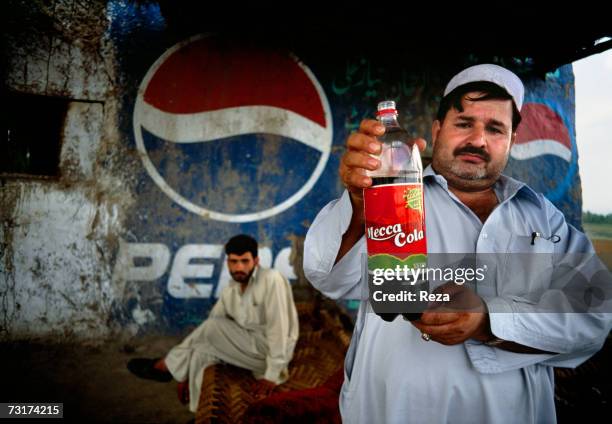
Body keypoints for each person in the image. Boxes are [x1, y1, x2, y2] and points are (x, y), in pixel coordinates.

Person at [303, 64, 612, 423]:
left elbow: (595, 314)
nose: (478, 140)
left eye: (495, 128)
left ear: (511, 141)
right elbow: (326, 275)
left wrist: (489, 321)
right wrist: (359, 204)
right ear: (437, 130)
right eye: (464, 123)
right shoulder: (394, 197)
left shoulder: (543, 217)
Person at [128, 234, 299, 414]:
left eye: (245, 261)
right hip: (248, 349)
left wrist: (272, 375)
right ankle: (201, 414)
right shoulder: (231, 289)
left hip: (270, 354)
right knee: (202, 351)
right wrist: (185, 373)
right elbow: (207, 330)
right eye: (234, 261)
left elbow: (278, 330)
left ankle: (165, 367)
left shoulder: (272, 279)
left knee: (212, 328)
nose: (239, 267)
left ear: (256, 261)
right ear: (227, 262)